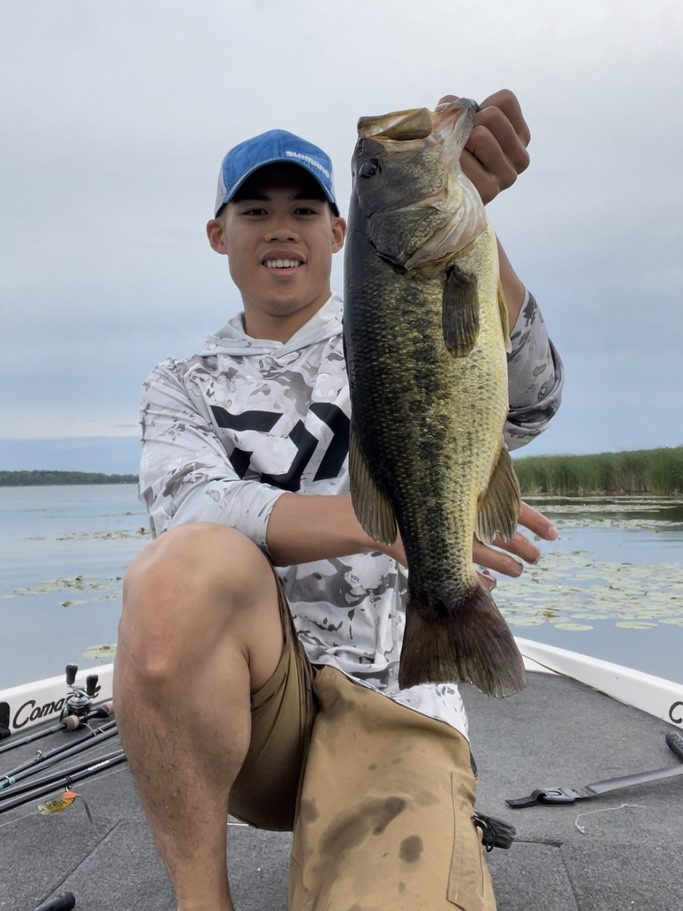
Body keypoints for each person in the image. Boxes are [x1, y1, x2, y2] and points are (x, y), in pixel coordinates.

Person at [114, 89, 564, 911]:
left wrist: (475, 235)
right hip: (255, 719)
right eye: (254, 209)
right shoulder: (181, 384)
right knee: (177, 566)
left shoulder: (391, 310)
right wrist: (384, 526)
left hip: (397, 697)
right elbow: (194, 510)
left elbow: (531, 405)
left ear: (340, 230)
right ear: (220, 234)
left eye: (304, 207)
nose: (280, 226)